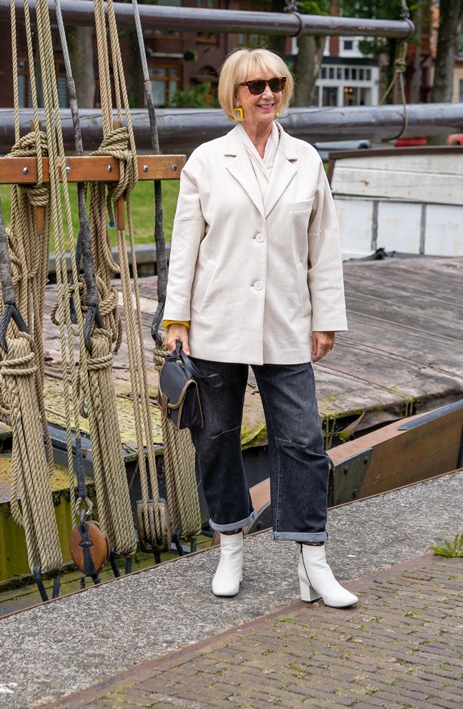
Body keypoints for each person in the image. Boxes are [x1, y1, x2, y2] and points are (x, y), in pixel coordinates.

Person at [163, 47, 357, 609]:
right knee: (217, 437)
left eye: (275, 82)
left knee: (302, 439)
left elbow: (324, 246)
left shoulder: (305, 159)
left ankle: (312, 561)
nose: (267, 93)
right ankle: (229, 545)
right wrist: (177, 320)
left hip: (286, 321)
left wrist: (327, 318)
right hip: (216, 320)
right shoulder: (205, 161)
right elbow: (184, 249)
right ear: (234, 94)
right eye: (255, 86)